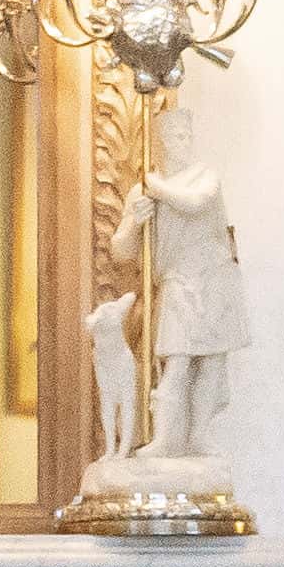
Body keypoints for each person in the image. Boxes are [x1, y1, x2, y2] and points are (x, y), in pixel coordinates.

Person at [110, 103, 250, 462]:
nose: (183, 142)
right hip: (178, 281)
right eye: (174, 136)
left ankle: (199, 435)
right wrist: (133, 223)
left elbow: (196, 203)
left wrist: (158, 189)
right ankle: (167, 439)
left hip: (214, 277)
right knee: (177, 359)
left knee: (211, 362)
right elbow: (122, 252)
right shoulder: (144, 191)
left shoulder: (204, 177)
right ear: (160, 143)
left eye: (187, 135)